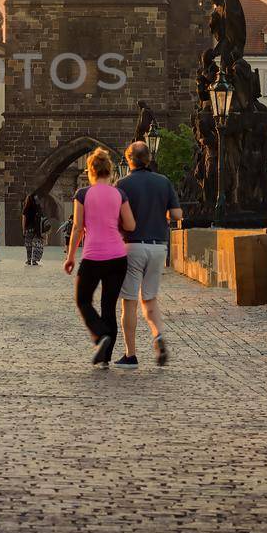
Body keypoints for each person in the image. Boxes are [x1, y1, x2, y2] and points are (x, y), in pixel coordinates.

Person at [111, 141, 183, 368]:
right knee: (149, 298)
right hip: (158, 246)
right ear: (149, 159)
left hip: (132, 246)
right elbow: (177, 214)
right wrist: (162, 213)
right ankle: (158, 335)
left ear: (129, 159)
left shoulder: (122, 184)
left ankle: (130, 355)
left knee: (129, 302)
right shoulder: (163, 181)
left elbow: (114, 218)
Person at [64, 149, 135, 368]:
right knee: (108, 306)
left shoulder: (83, 194)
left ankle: (101, 335)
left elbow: (77, 228)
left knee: (83, 299)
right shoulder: (119, 194)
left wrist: (70, 257)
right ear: (109, 170)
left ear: (91, 170)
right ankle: (105, 356)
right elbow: (131, 225)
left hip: (93, 256)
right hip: (117, 257)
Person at [22, 193, 48, 266]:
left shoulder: (26, 209)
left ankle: (29, 260)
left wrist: (23, 230)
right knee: (36, 245)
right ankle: (34, 260)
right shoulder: (37, 209)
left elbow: (23, 220)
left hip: (28, 229)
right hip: (36, 229)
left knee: (28, 245)